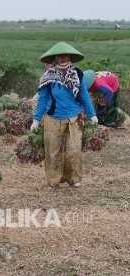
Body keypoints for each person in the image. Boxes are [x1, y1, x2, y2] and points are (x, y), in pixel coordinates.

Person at [31, 42, 98, 189]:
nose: (62, 59)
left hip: (74, 117)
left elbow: (84, 96)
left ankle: (74, 179)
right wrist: (36, 120)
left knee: (74, 150)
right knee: (53, 151)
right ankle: (53, 180)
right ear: (55, 58)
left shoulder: (77, 74)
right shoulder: (48, 77)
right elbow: (42, 99)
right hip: (53, 118)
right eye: (59, 56)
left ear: (70, 57)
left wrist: (92, 114)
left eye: (65, 56)